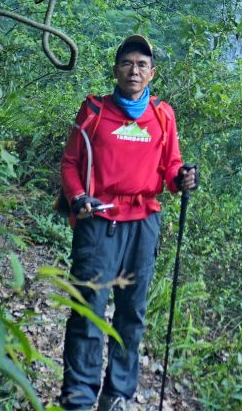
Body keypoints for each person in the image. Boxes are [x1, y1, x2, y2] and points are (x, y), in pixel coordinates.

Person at [58, 35, 197, 411]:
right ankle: (79, 397)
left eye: (141, 65)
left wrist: (182, 176)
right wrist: (77, 198)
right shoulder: (93, 111)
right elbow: (70, 163)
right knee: (89, 306)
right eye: (127, 63)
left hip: (143, 223)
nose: (134, 70)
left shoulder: (162, 115)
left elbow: (170, 168)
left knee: (131, 312)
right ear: (115, 69)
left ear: (152, 73)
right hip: (98, 220)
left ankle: (117, 394)